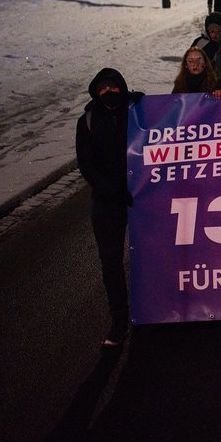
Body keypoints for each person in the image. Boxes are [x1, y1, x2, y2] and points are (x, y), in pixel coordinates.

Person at [75, 68, 142, 347]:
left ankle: (153, 310)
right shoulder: (88, 121)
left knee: (151, 257)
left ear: (121, 87)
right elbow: (86, 164)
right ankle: (119, 321)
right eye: (102, 88)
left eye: (113, 87)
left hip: (140, 197)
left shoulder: (138, 111)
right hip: (107, 203)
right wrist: (113, 191)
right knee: (111, 264)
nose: (108, 92)